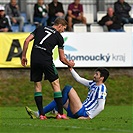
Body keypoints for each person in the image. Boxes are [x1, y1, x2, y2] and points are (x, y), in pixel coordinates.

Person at [21, 18, 75, 120]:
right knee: (55, 84)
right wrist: (70, 64)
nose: (63, 31)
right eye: (63, 29)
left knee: (37, 86)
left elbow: (27, 40)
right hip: (46, 61)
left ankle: (41, 115)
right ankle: (60, 114)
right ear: (59, 26)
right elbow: (62, 58)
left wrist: (23, 56)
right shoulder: (59, 37)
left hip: (35, 60)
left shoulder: (40, 28)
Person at [25, 67, 109, 120]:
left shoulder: (102, 88)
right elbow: (79, 79)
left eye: (96, 74)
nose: (94, 75)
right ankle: (51, 111)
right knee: (62, 98)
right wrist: (71, 68)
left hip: (83, 112)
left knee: (68, 88)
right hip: (77, 111)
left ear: (102, 78)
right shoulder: (93, 83)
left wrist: (89, 117)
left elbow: (101, 107)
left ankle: (49, 111)